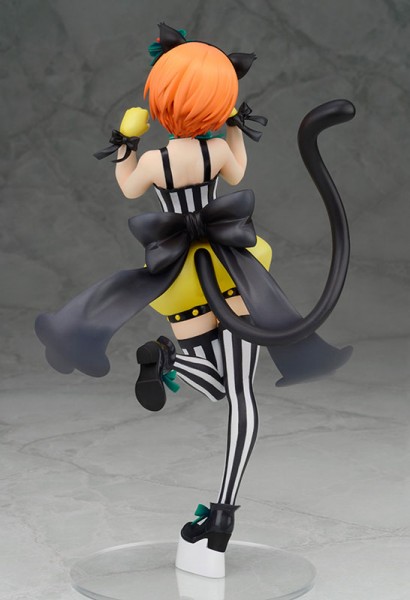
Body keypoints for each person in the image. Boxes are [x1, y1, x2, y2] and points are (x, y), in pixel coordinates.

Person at [35, 23, 354, 578]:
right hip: (229, 272)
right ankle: (223, 513)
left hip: (181, 277)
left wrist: (127, 142)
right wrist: (231, 125)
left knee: (217, 386)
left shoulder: (158, 162)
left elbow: (128, 186)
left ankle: (168, 359)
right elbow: (239, 168)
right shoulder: (216, 153)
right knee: (240, 395)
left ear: (162, 102)